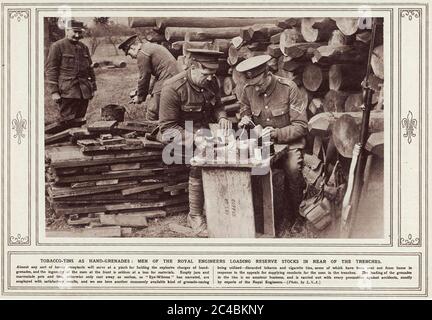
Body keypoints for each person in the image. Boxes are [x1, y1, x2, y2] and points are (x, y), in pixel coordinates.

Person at [158, 49, 232, 235]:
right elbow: (167, 129)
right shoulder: (173, 87)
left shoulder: (211, 81)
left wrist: (222, 117)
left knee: (232, 150)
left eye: (213, 74)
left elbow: (218, 105)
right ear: (193, 67)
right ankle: (195, 214)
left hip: (204, 132)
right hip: (179, 137)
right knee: (203, 157)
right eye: (206, 74)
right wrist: (196, 138)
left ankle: (220, 206)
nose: (210, 79)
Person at [236, 55, 308, 232]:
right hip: (262, 147)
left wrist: (275, 133)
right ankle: (262, 219)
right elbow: (245, 117)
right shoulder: (248, 90)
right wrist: (244, 124)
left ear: (268, 74)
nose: (257, 89)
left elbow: (301, 126)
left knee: (292, 168)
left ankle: (297, 215)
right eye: (253, 85)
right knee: (253, 171)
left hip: (289, 145)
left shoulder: (288, 88)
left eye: (260, 84)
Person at [118, 34, 180, 121]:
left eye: (129, 54)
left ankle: (152, 132)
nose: (131, 57)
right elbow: (156, 77)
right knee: (167, 107)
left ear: (133, 48)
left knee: (152, 110)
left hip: (169, 77)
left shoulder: (142, 54)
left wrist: (140, 97)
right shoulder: (148, 47)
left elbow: (144, 77)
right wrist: (141, 91)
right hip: (173, 75)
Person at [45, 19, 97, 121]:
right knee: (67, 121)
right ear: (67, 30)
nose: (77, 35)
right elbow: (51, 69)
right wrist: (54, 92)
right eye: (75, 32)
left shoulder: (84, 47)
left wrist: (93, 88)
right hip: (67, 92)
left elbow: (90, 69)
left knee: (80, 120)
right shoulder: (57, 46)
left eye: (79, 32)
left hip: (84, 92)